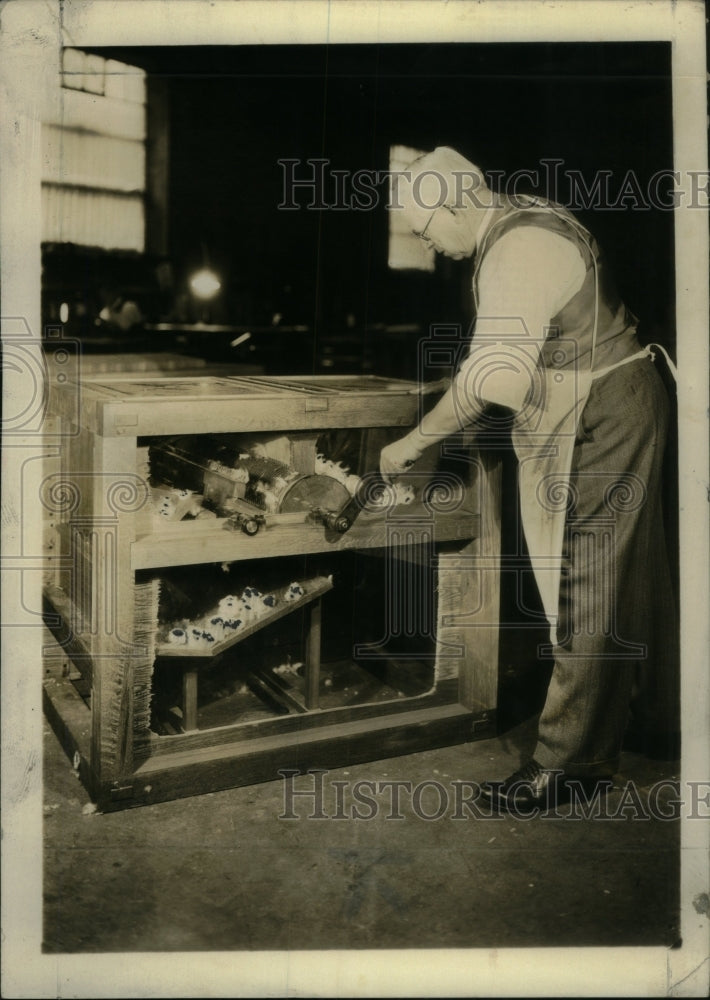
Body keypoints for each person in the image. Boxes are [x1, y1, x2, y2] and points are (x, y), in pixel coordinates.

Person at [380, 146, 678, 812]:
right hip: (614, 396)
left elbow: (495, 379)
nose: (431, 246)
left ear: (458, 201)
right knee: (630, 574)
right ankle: (655, 722)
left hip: (606, 407)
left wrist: (413, 441)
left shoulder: (518, 250)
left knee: (590, 579)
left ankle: (568, 762)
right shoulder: (520, 218)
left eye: (429, 230)